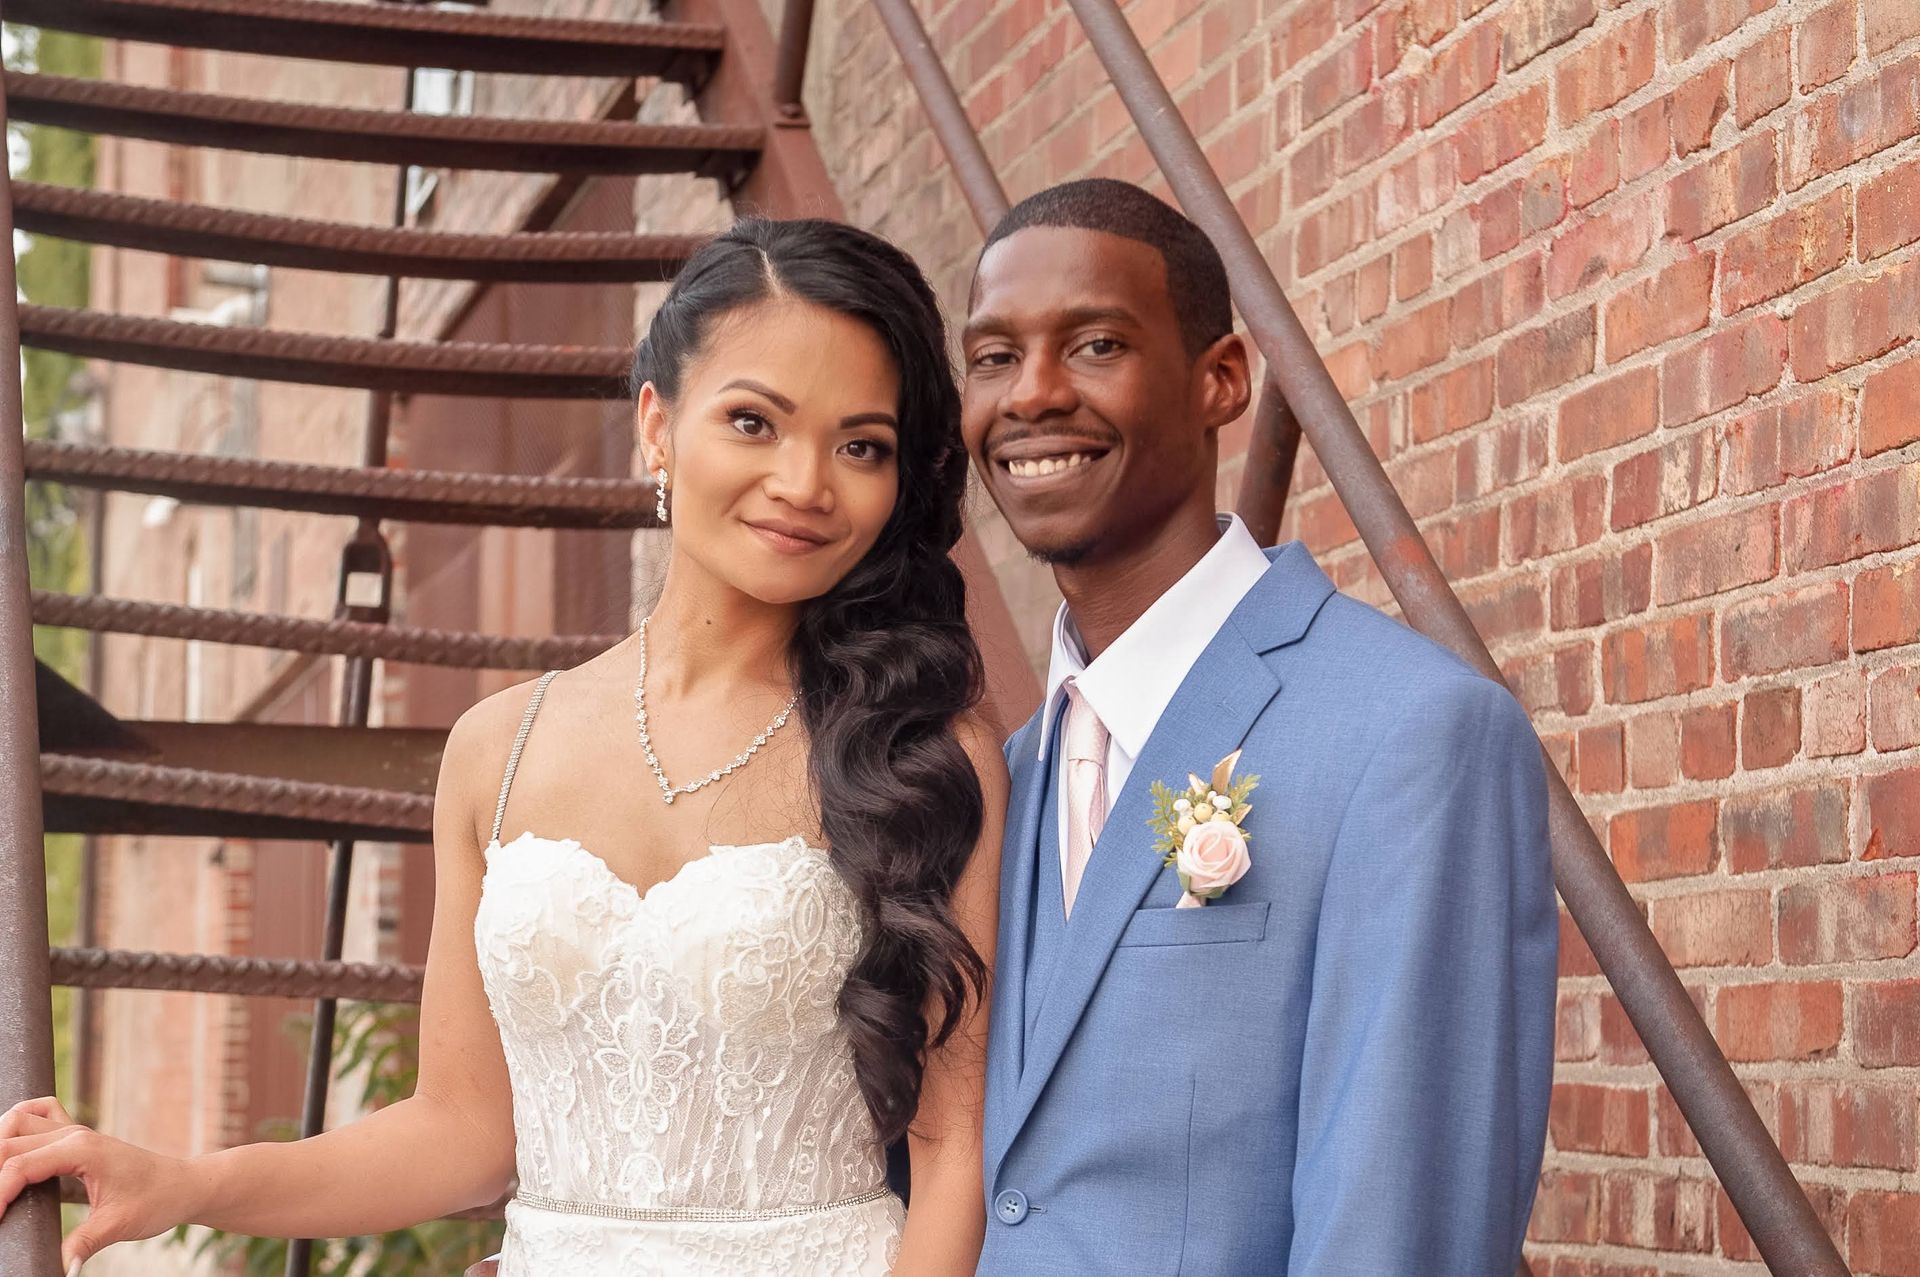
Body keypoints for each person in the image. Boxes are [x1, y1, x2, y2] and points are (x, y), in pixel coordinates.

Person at [0, 218, 1006, 1277]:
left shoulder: (919, 751)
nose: (806, 481)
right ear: (657, 426)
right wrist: (187, 1182)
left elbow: (951, 1156)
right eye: (754, 421)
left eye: (862, 445)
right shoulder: (499, 746)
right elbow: (461, 1132)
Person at [962, 178, 1557, 1275]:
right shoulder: (1008, 774)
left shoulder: (1413, 734)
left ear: (1220, 380)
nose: (1031, 393)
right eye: (993, 356)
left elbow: (1402, 1233)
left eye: (1093, 345)